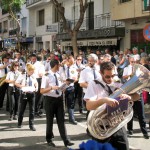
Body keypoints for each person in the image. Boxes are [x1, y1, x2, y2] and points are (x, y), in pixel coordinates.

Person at [84, 61, 140, 150]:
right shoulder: (94, 84)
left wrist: (129, 97)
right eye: (107, 76)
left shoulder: (118, 82)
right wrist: (104, 100)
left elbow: (137, 96)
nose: (111, 79)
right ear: (101, 73)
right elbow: (89, 106)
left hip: (117, 124)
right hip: (101, 127)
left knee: (124, 147)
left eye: (113, 75)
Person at [40, 59, 74, 147]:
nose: (60, 67)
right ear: (55, 65)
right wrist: (51, 88)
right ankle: (49, 139)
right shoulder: (46, 76)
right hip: (49, 100)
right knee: (50, 121)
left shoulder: (58, 75)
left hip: (59, 99)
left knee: (61, 120)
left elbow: (59, 88)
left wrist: (65, 84)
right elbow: (42, 91)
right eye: (59, 65)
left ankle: (66, 140)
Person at [123, 57, 149, 139]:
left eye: (135, 61)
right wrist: (130, 75)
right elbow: (123, 77)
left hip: (138, 93)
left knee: (141, 115)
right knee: (130, 113)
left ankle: (144, 132)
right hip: (129, 92)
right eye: (132, 61)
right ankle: (130, 130)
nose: (133, 63)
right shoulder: (126, 68)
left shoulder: (140, 69)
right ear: (129, 61)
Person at [15, 64, 38, 131]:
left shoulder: (33, 76)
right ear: (28, 70)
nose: (32, 72)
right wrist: (22, 86)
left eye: (33, 71)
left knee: (32, 110)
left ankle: (31, 125)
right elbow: (16, 83)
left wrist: (36, 87)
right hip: (24, 94)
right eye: (31, 71)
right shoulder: (22, 75)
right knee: (22, 109)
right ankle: (19, 123)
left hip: (32, 94)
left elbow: (36, 82)